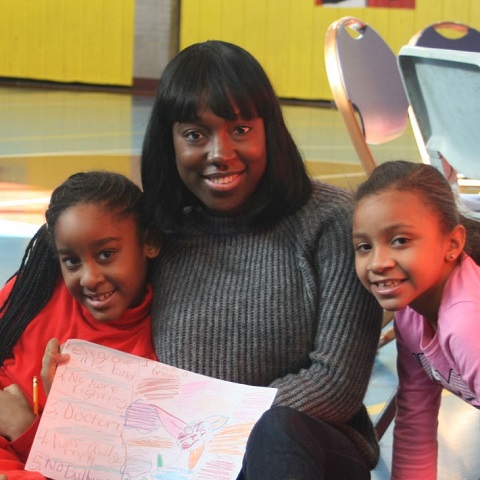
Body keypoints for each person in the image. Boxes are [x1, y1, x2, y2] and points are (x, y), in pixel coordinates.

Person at [141, 39, 383, 479]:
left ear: (268, 129)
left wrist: (220, 426)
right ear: (169, 141)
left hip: (303, 453)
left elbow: (336, 385)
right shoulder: (156, 234)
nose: (220, 153)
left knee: (277, 431)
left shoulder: (333, 223)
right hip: (187, 456)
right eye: (195, 134)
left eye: (241, 129)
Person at [0, 170, 160, 479]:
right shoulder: (29, 297)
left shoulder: (159, 346)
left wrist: (24, 429)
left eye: (106, 254)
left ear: (149, 243)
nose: (89, 278)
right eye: (71, 261)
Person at [352, 160, 480, 480]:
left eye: (400, 240)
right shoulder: (410, 316)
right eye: (365, 246)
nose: (378, 262)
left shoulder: (467, 321)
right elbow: (415, 420)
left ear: (452, 244)